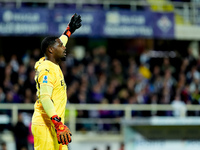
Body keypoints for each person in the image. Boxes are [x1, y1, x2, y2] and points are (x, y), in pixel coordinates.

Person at [31, 13, 82, 150]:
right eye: (60, 45)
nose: (64, 47)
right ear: (51, 50)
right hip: (46, 125)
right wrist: (58, 123)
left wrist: (69, 30)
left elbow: (60, 41)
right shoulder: (46, 69)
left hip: (56, 125)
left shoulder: (50, 63)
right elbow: (45, 97)